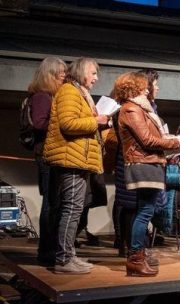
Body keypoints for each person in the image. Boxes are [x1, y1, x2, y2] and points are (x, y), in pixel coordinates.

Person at [43, 57, 109, 274]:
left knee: (75, 208)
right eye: (93, 73)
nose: (96, 78)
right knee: (71, 208)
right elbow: (68, 123)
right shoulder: (69, 92)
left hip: (78, 159)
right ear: (81, 72)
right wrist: (96, 122)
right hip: (71, 159)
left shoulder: (79, 92)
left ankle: (69, 254)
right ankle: (63, 260)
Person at [116, 72, 180, 276]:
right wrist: (174, 143)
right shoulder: (131, 109)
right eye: (143, 86)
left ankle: (138, 256)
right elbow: (147, 140)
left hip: (150, 163)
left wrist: (171, 146)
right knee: (144, 212)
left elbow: (150, 138)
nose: (148, 89)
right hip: (142, 164)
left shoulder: (140, 108)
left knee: (145, 211)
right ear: (134, 88)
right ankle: (135, 258)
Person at [27, 56, 67, 265]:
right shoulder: (42, 97)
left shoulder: (48, 96)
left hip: (50, 155)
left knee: (54, 203)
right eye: (61, 73)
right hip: (47, 155)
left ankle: (51, 249)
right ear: (50, 75)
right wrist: (64, 119)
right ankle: (46, 252)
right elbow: (40, 125)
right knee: (50, 204)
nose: (64, 77)